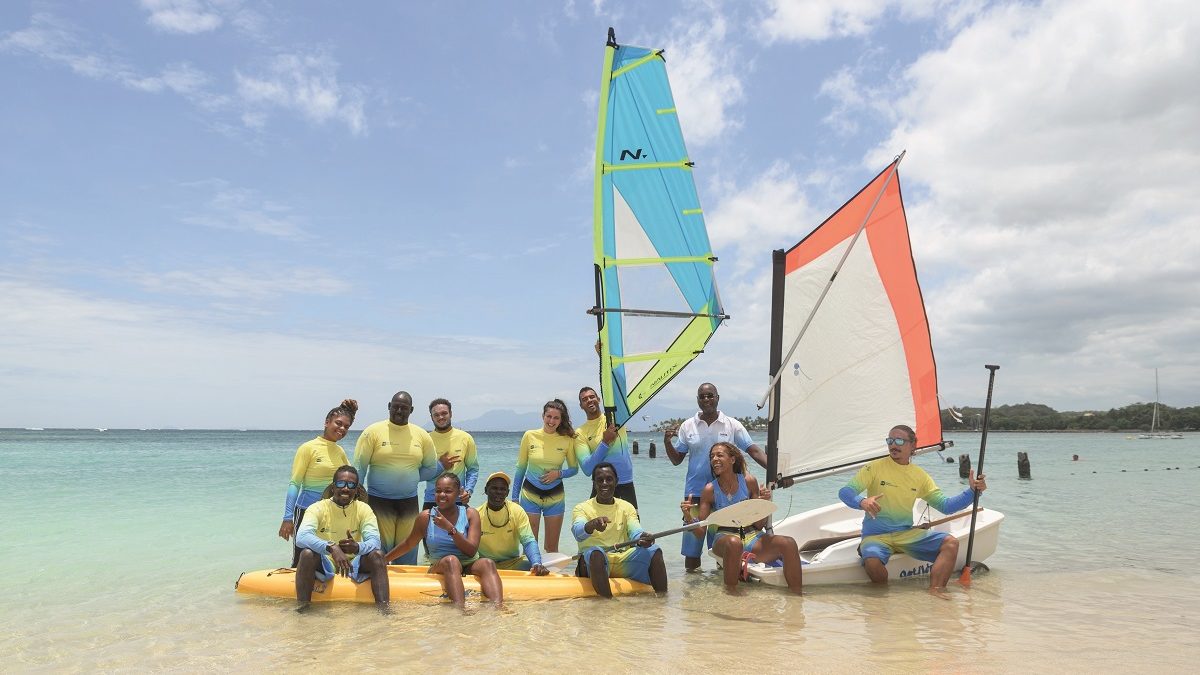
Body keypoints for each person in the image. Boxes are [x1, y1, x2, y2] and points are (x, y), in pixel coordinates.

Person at [837, 424, 987, 595]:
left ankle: (936, 592)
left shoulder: (920, 476)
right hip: (875, 536)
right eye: (890, 440)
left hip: (906, 534)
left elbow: (946, 506)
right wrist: (861, 501)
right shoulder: (874, 467)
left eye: (899, 441)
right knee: (872, 562)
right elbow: (845, 492)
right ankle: (881, 598)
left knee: (951, 543)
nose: (894, 445)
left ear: (913, 445)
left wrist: (973, 492)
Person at [664, 382, 767, 571]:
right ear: (697, 400)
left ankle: (722, 594)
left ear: (717, 398)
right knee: (692, 554)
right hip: (694, 495)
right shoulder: (688, 426)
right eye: (702, 397)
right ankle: (693, 596)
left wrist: (775, 470)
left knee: (723, 550)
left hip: (724, 498)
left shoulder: (732, 424)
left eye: (710, 395)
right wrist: (667, 443)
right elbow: (676, 459)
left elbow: (753, 450)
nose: (706, 400)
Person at [684, 442, 802, 594]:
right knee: (735, 543)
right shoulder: (710, 490)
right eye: (712, 456)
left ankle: (797, 598)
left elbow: (759, 526)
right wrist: (688, 517)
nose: (714, 459)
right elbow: (701, 532)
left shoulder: (749, 482)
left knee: (788, 543)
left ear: (732, 459)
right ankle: (732, 595)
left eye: (719, 455)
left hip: (751, 535)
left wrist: (763, 502)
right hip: (724, 538)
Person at [384, 472, 503, 606]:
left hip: (468, 564)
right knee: (451, 560)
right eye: (438, 491)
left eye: (448, 491)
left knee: (487, 563)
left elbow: (471, 550)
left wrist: (450, 529)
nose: (442, 495)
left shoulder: (470, 514)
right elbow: (408, 543)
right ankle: (460, 610)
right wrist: (384, 560)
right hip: (441, 566)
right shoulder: (426, 517)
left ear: (458, 493)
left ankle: (498, 609)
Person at [354, 391, 439, 565]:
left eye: (404, 408)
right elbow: (359, 467)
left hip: (409, 502)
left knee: (407, 549)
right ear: (389, 406)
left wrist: (412, 477)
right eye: (396, 406)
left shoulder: (422, 435)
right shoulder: (372, 432)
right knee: (378, 551)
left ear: (411, 410)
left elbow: (431, 468)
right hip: (378, 501)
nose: (399, 410)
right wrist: (357, 500)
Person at [294, 465, 390, 607]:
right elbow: (301, 537)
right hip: (326, 562)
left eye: (351, 485)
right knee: (307, 554)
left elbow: (375, 542)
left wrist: (358, 547)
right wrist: (331, 547)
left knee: (378, 554)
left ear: (357, 489)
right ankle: (303, 609)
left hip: (355, 564)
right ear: (333, 487)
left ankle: (384, 611)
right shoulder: (317, 508)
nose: (345, 488)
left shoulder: (364, 509)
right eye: (341, 483)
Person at [278, 399, 358, 567]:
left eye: (346, 427)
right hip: (306, 510)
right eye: (338, 423)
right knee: (302, 558)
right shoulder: (308, 448)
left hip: (330, 513)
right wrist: (288, 517)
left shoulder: (340, 451)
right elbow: (294, 483)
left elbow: (350, 482)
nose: (342, 429)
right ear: (327, 422)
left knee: (326, 557)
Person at [572, 462, 667, 598]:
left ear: (616, 482)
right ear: (594, 483)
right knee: (596, 553)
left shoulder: (627, 507)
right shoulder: (581, 508)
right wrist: (591, 525)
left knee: (655, 551)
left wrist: (642, 537)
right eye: (600, 480)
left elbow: (635, 531)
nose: (604, 483)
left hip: (621, 560)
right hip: (594, 562)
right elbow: (578, 533)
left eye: (609, 479)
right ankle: (608, 604)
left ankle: (663, 601)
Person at [511, 399, 582, 553]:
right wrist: (514, 498)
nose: (551, 421)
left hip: (555, 497)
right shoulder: (529, 436)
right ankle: (530, 576)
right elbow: (521, 468)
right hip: (530, 495)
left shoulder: (567, 439)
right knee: (530, 545)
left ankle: (549, 576)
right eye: (549, 416)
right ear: (543, 416)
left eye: (556, 418)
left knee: (551, 548)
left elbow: (574, 469)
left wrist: (559, 473)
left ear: (561, 420)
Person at [575, 386, 637, 507]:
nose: (589, 400)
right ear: (581, 405)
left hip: (626, 483)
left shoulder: (616, 418)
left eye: (592, 397)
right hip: (601, 486)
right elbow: (587, 469)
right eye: (584, 399)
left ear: (599, 399)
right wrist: (605, 443)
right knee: (598, 525)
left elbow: (619, 390)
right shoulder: (580, 433)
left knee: (632, 525)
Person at [477, 472, 549, 574]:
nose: (498, 492)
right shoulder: (476, 514)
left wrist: (536, 563)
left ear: (507, 493)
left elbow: (528, 541)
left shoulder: (517, 511)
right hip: (485, 564)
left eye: (502, 489)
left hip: (512, 563)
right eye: (494, 488)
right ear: (486, 490)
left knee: (540, 568)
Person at [421, 398, 479, 510]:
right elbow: (419, 475)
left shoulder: (465, 438)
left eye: (444, 413)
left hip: (458, 500)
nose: (440, 417)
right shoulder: (425, 440)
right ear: (431, 417)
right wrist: (440, 466)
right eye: (436, 415)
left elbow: (473, 469)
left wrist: (468, 491)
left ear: (451, 414)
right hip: (431, 500)